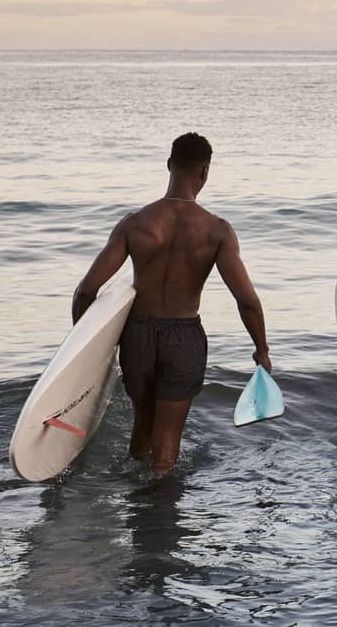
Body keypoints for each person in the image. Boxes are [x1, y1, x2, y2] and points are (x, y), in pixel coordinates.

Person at [71, 132, 271, 474]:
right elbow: (247, 300)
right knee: (167, 438)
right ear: (205, 172)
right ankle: (160, 513)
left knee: (143, 425)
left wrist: (86, 349)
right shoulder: (217, 231)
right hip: (183, 339)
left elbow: (86, 291)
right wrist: (261, 350)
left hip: (136, 337)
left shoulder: (135, 224)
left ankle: (136, 501)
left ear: (168, 165)